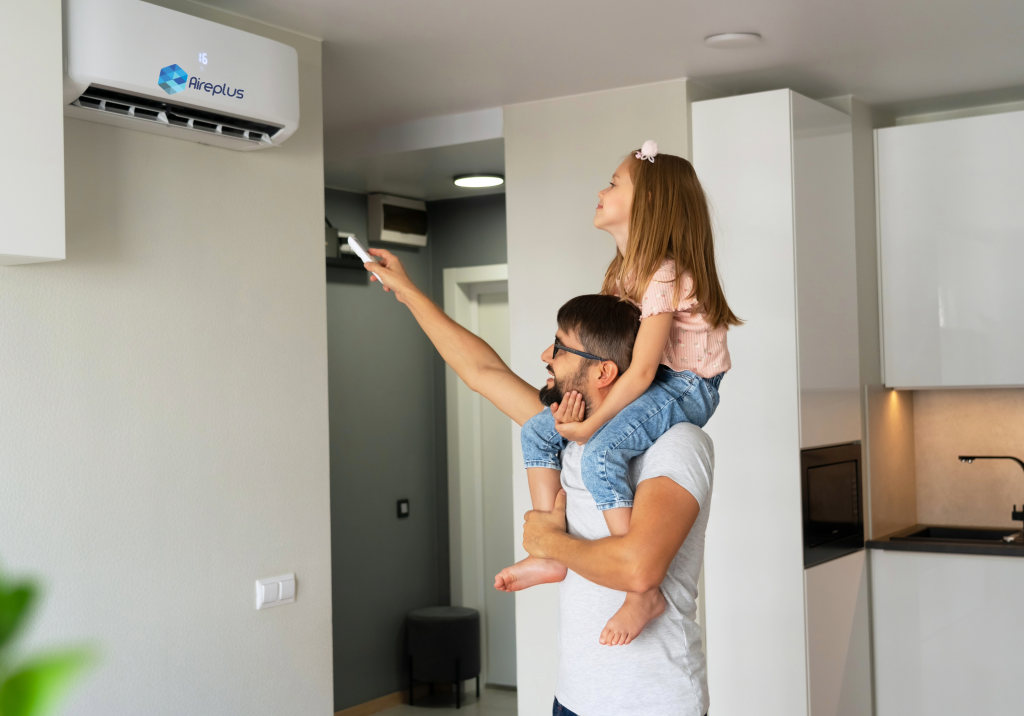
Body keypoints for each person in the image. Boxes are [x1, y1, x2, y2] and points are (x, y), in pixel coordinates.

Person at [360, 254, 713, 716]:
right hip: (573, 698)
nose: (546, 356)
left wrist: (550, 543)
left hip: (651, 704)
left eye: (560, 348)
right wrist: (406, 290)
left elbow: (639, 569)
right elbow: (483, 372)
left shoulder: (678, 443)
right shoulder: (571, 432)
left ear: (603, 372)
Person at [507, 141, 741, 646]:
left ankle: (643, 592)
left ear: (648, 202)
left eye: (614, 183)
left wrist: (591, 426)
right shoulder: (621, 272)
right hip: (651, 378)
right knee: (537, 433)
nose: (601, 190)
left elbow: (639, 373)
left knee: (601, 453)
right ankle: (548, 550)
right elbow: (605, 353)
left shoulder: (663, 273)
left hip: (686, 385)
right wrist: (560, 366)